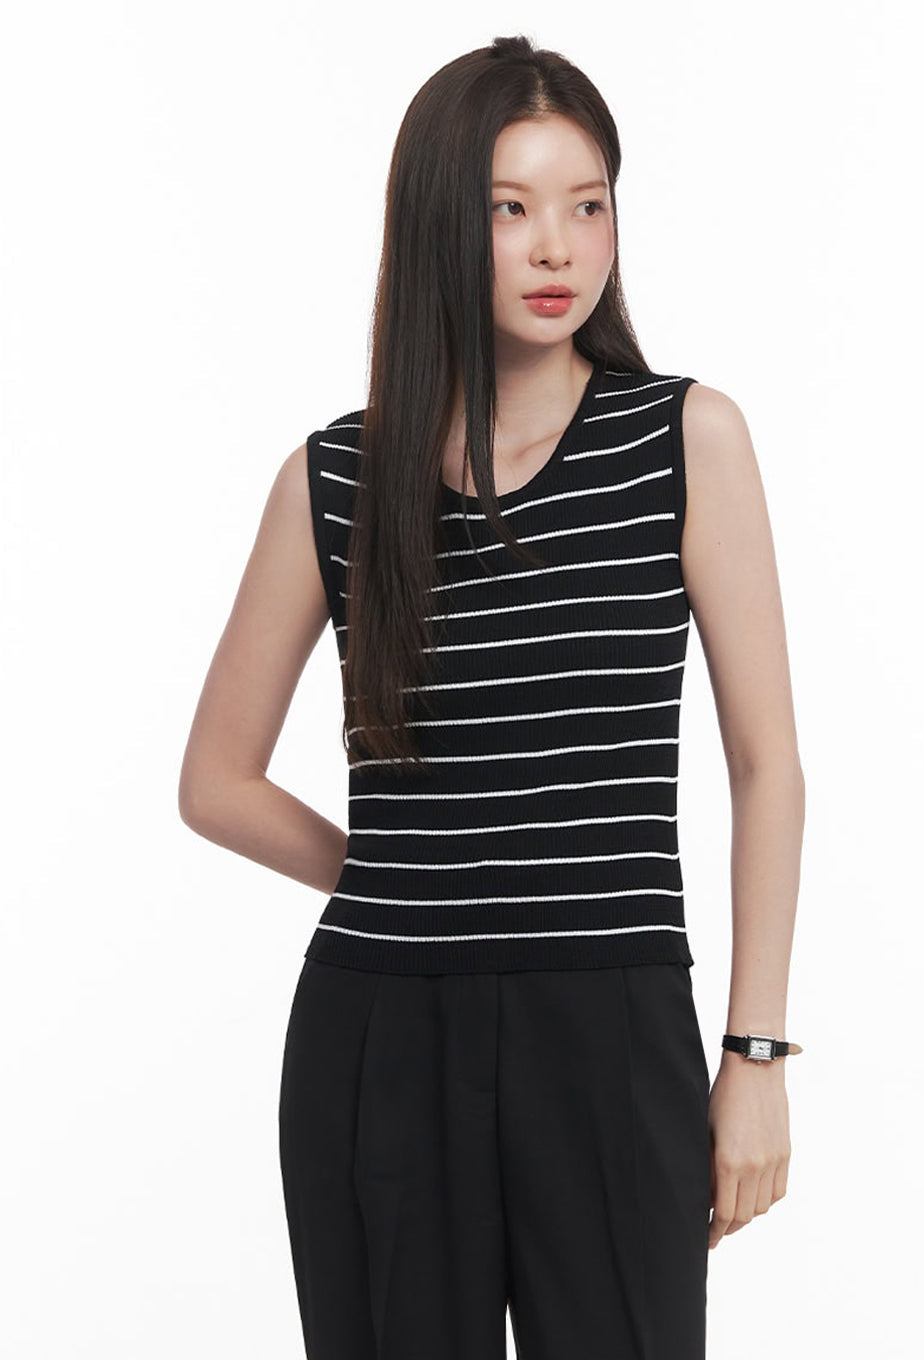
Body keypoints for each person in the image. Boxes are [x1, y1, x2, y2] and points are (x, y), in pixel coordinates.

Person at [178, 33, 805, 1360]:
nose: (556, 247)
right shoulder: (335, 479)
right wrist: (409, 875)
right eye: (510, 209)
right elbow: (215, 781)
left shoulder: (685, 441)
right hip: (381, 1033)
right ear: (436, 223)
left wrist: (754, 1056)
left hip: (613, 1026)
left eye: (588, 205)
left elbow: (768, 766)